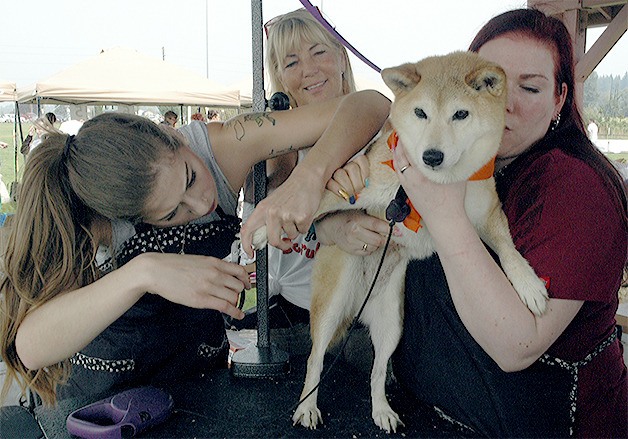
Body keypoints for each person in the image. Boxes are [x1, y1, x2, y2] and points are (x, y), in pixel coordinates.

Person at [0, 90, 390, 406]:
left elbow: (370, 104)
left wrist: (308, 177)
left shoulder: (219, 148)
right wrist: (144, 273)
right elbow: (30, 347)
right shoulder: (88, 218)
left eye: (189, 176)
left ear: (176, 138)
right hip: (100, 403)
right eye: (172, 213)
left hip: (200, 388)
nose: (202, 203)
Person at [387, 9, 627, 438]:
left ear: (559, 100)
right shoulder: (472, 160)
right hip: (440, 415)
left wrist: (444, 214)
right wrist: (330, 214)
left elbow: (516, 345)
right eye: (483, 83)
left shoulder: (575, 187)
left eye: (529, 87)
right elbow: (369, 106)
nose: (502, 102)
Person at [237, 9, 389, 344]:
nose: (309, 70)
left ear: (340, 57)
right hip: (286, 317)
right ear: (279, 75)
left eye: (318, 52)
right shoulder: (277, 145)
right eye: (291, 63)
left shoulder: (381, 134)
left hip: (367, 318)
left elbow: (377, 105)